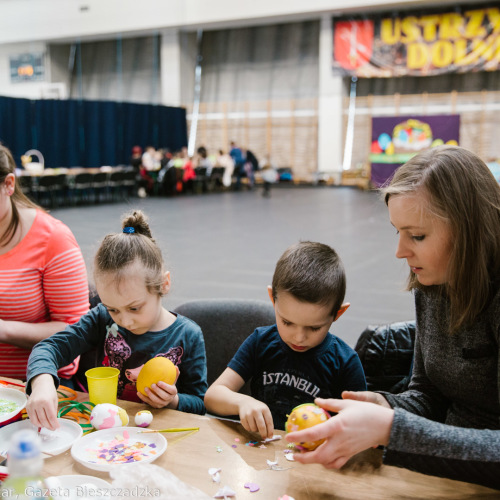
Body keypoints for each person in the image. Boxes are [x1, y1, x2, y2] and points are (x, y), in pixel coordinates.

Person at [286, 146, 500, 490]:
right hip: (444, 475)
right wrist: (384, 404)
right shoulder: (433, 280)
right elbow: (429, 395)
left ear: (470, 230)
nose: (400, 251)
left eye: (417, 235)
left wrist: (390, 427)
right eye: (397, 231)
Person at [26, 210, 208, 430]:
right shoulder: (101, 318)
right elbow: (48, 348)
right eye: (113, 308)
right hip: (105, 434)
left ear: (164, 283)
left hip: (159, 437)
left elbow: (200, 403)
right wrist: (43, 381)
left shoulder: (188, 335)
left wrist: (174, 401)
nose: (124, 321)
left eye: (134, 307)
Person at [204, 241, 367, 439]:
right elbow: (213, 396)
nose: (299, 337)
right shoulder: (260, 342)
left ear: (337, 313)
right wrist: (242, 403)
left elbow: (361, 425)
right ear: (273, 298)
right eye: (287, 322)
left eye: (314, 327)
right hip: (264, 453)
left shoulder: (345, 362)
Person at [0, 144, 89, 382]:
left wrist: (3, 329)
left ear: (9, 184)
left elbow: (77, 331)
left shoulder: (52, 238)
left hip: (38, 386)